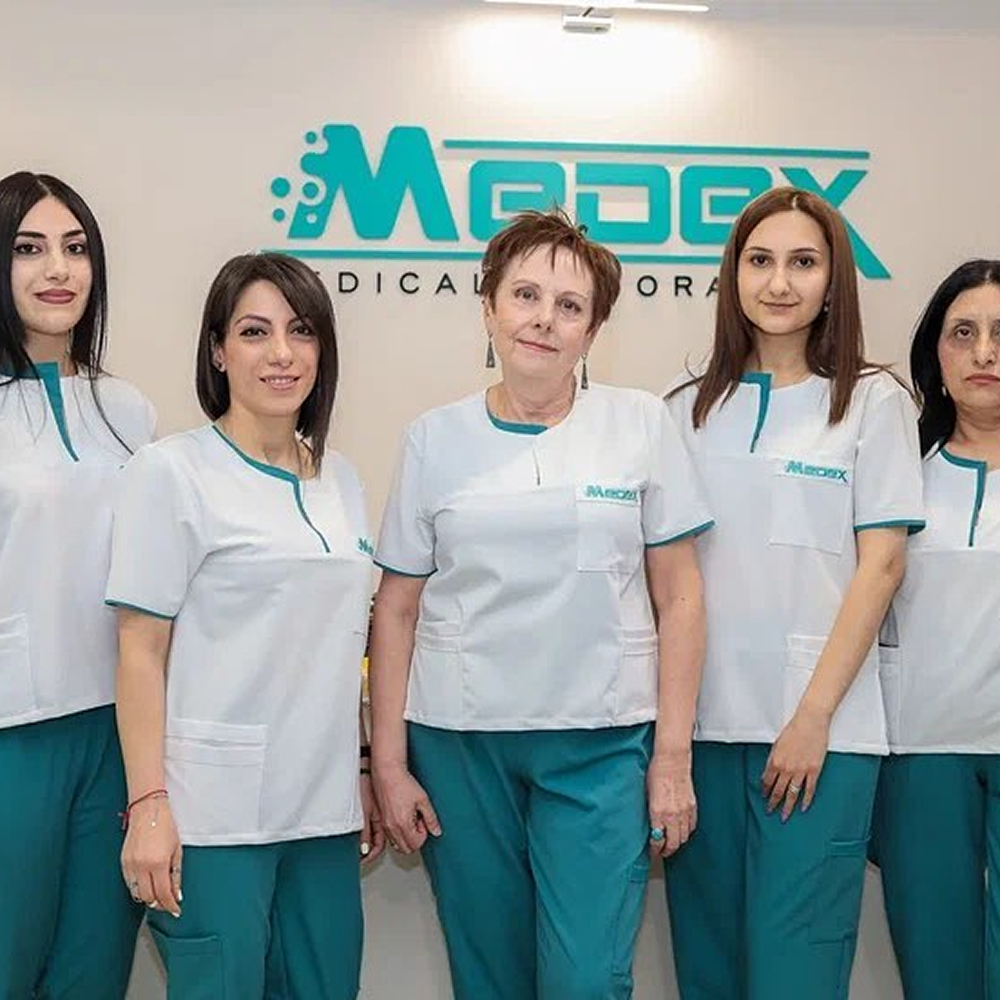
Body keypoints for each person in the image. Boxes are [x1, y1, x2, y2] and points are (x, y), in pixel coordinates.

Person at [371, 209, 712, 999]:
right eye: (524, 295)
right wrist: (389, 763)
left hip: (601, 745)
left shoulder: (639, 424)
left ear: (593, 330)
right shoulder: (433, 438)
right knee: (488, 977)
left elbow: (681, 597)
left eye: (569, 306)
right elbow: (396, 609)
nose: (543, 319)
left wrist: (672, 757)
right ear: (488, 306)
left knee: (585, 979)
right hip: (461, 744)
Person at [664, 187, 924, 999]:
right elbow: (665, 581)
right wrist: (670, 741)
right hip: (701, 734)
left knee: (797, 971)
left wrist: (813, 718)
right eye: (761, 260)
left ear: (833, 279)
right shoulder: (682, 410)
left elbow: (882, 567)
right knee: (709, 970)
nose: (779, 282)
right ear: (733, 274)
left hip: (820, 735)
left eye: (803, 262)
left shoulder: (873, 402)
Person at [106, 252, 380, 998]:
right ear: (219, 351)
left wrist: (360, 769)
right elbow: (139, 650)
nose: (281, 353)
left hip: (324, 816)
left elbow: (342, 645)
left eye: (301, 331)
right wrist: (148, 806)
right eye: (255, 332)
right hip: (214, 819)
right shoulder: (171, 472)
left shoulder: (342, 479)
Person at [0, 171, 154, 998]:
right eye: (29, 248)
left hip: (116, 732)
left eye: (75, 247)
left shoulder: (128, 411)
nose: (57, 268)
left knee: (93, 972)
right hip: (13, 733)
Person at [871, 259, 1000, 1000]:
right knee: (936, 973)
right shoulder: (896, 470)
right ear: (936, 354)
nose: (984, 352)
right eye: (964, 333)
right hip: (921, 757)